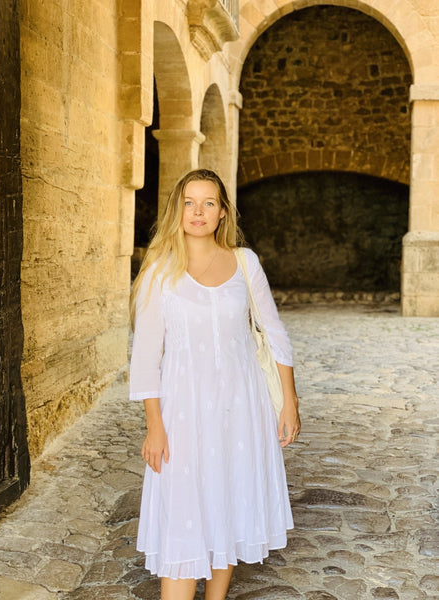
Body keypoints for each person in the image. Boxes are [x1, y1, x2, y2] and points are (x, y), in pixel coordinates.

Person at [129, 169, 301, 600]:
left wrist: (289, 402)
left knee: (228, 499)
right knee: (183, 516)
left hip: (242, 408)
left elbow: (274, 332)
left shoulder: (245, 262)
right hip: (183, 411)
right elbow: (146, 356)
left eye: (208, 203)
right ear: (178, 210)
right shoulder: (159, 273)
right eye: (190, 202)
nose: (198, 212)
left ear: (222, 213)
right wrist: (154, 425)